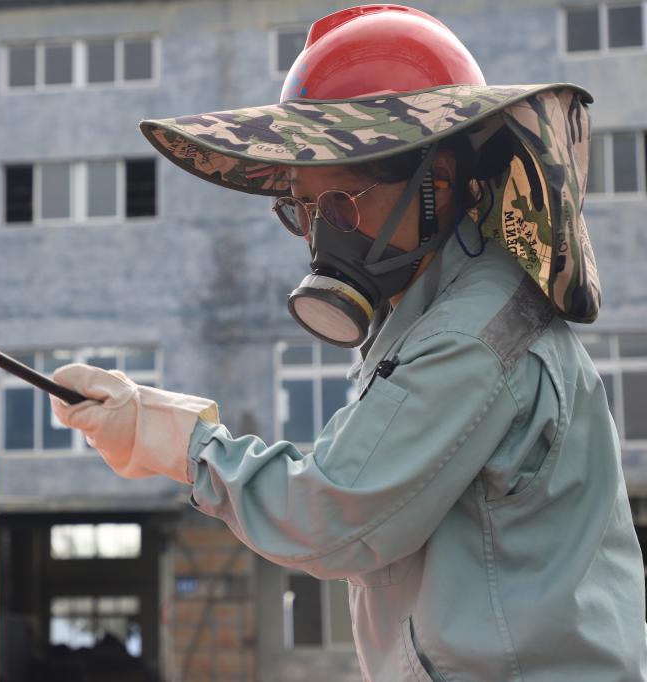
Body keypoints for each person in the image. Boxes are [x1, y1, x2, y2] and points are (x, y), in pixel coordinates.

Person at [50, 5, 647, 680]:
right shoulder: (428, 315)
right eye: (301, 209)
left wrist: (169, 438)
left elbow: (330, 516)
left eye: (339, 205)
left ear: (435, 185)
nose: (319, 236)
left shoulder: (470, 334)